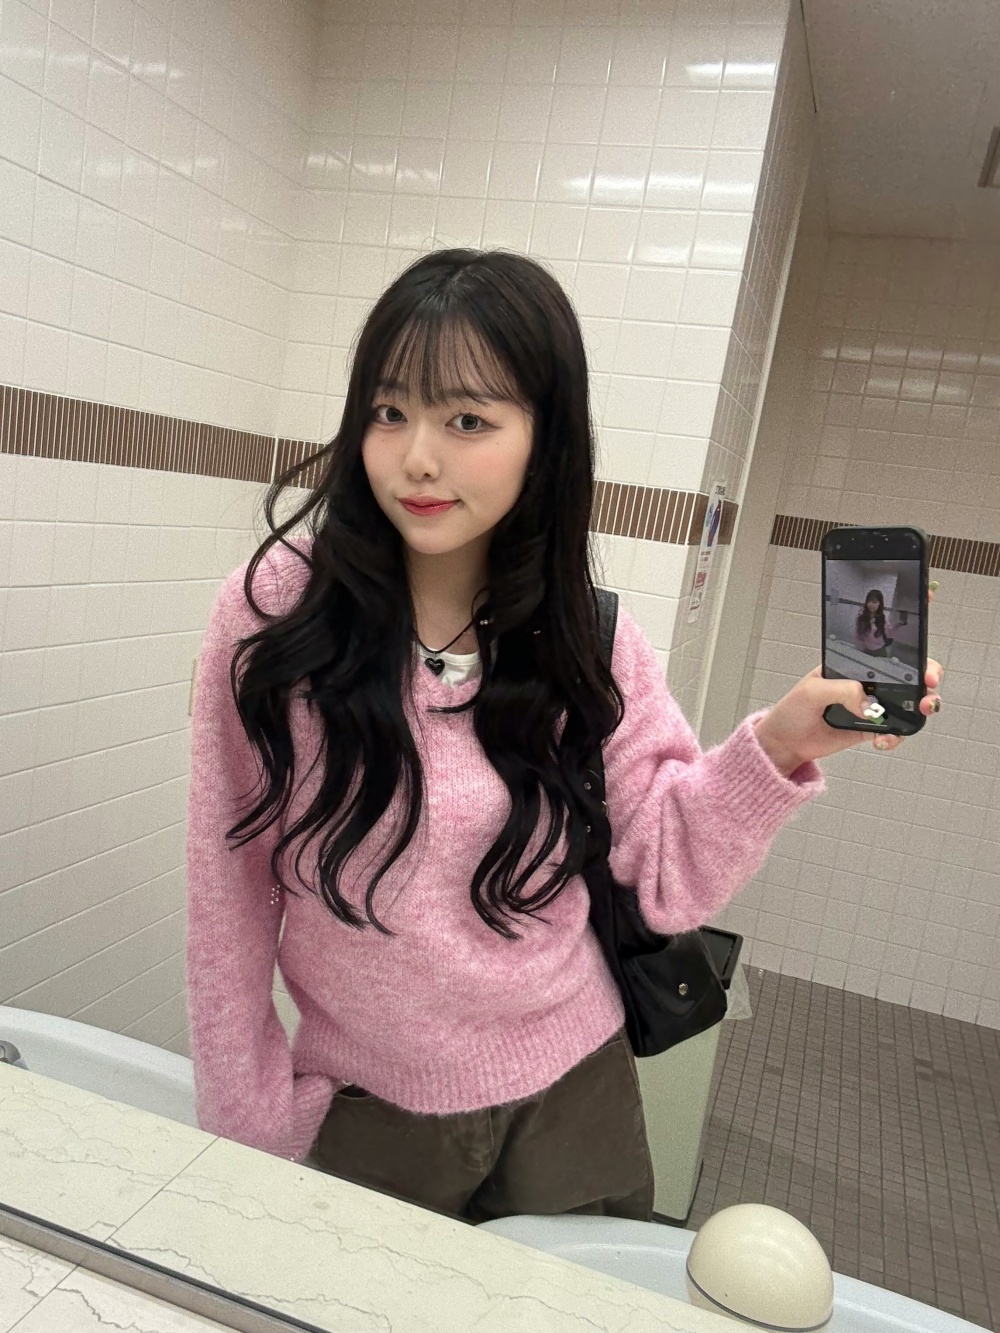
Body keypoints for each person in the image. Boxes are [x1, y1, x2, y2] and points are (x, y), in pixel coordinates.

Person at [185, 249, 943, 1225]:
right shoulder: (275, 615)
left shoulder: (589, 635)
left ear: (543, 438)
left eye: (467, 420)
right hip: (372, 1110)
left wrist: (781, 743)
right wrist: (248, 1120)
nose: (418, 457)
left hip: (575, 1095)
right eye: (389, 411)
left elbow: (665, 871)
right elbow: (226, 882)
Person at [855, 588, 899, 657]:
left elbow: (889, 633)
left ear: (879, 604)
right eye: (869, 601)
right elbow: (858, 635)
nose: (871, 604)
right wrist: (859, 649)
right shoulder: (862, 617)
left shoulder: (882, 618)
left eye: (874, 602)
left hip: (879, 651)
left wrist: (897, 625)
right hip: (865, 650)